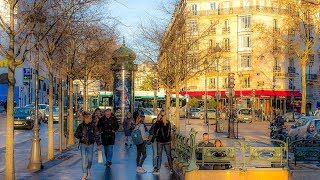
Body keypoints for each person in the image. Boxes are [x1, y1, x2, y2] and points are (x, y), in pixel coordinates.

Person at [74, 112, 102, 180]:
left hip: (91, 144)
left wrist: (98, 144)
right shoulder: (80, 126)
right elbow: (76, 134)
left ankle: (88, 168)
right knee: (84, 159)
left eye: (91, 118)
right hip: (83, 144)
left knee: (90, 159)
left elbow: (97, 135)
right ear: (85, 119)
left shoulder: (93, 126)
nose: (91, 119)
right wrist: (82, 135)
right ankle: (84, 173)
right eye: (90, 118)